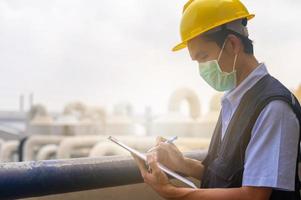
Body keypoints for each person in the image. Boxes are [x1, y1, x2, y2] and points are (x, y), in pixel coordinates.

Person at [131, 0, 301, 199]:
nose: (202, 69)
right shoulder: (235, 101)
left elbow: (253, 195)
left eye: (203, 57)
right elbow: (227, 179)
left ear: (232, 44)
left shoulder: (272, 106)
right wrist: (182, 163)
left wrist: (173, 193)